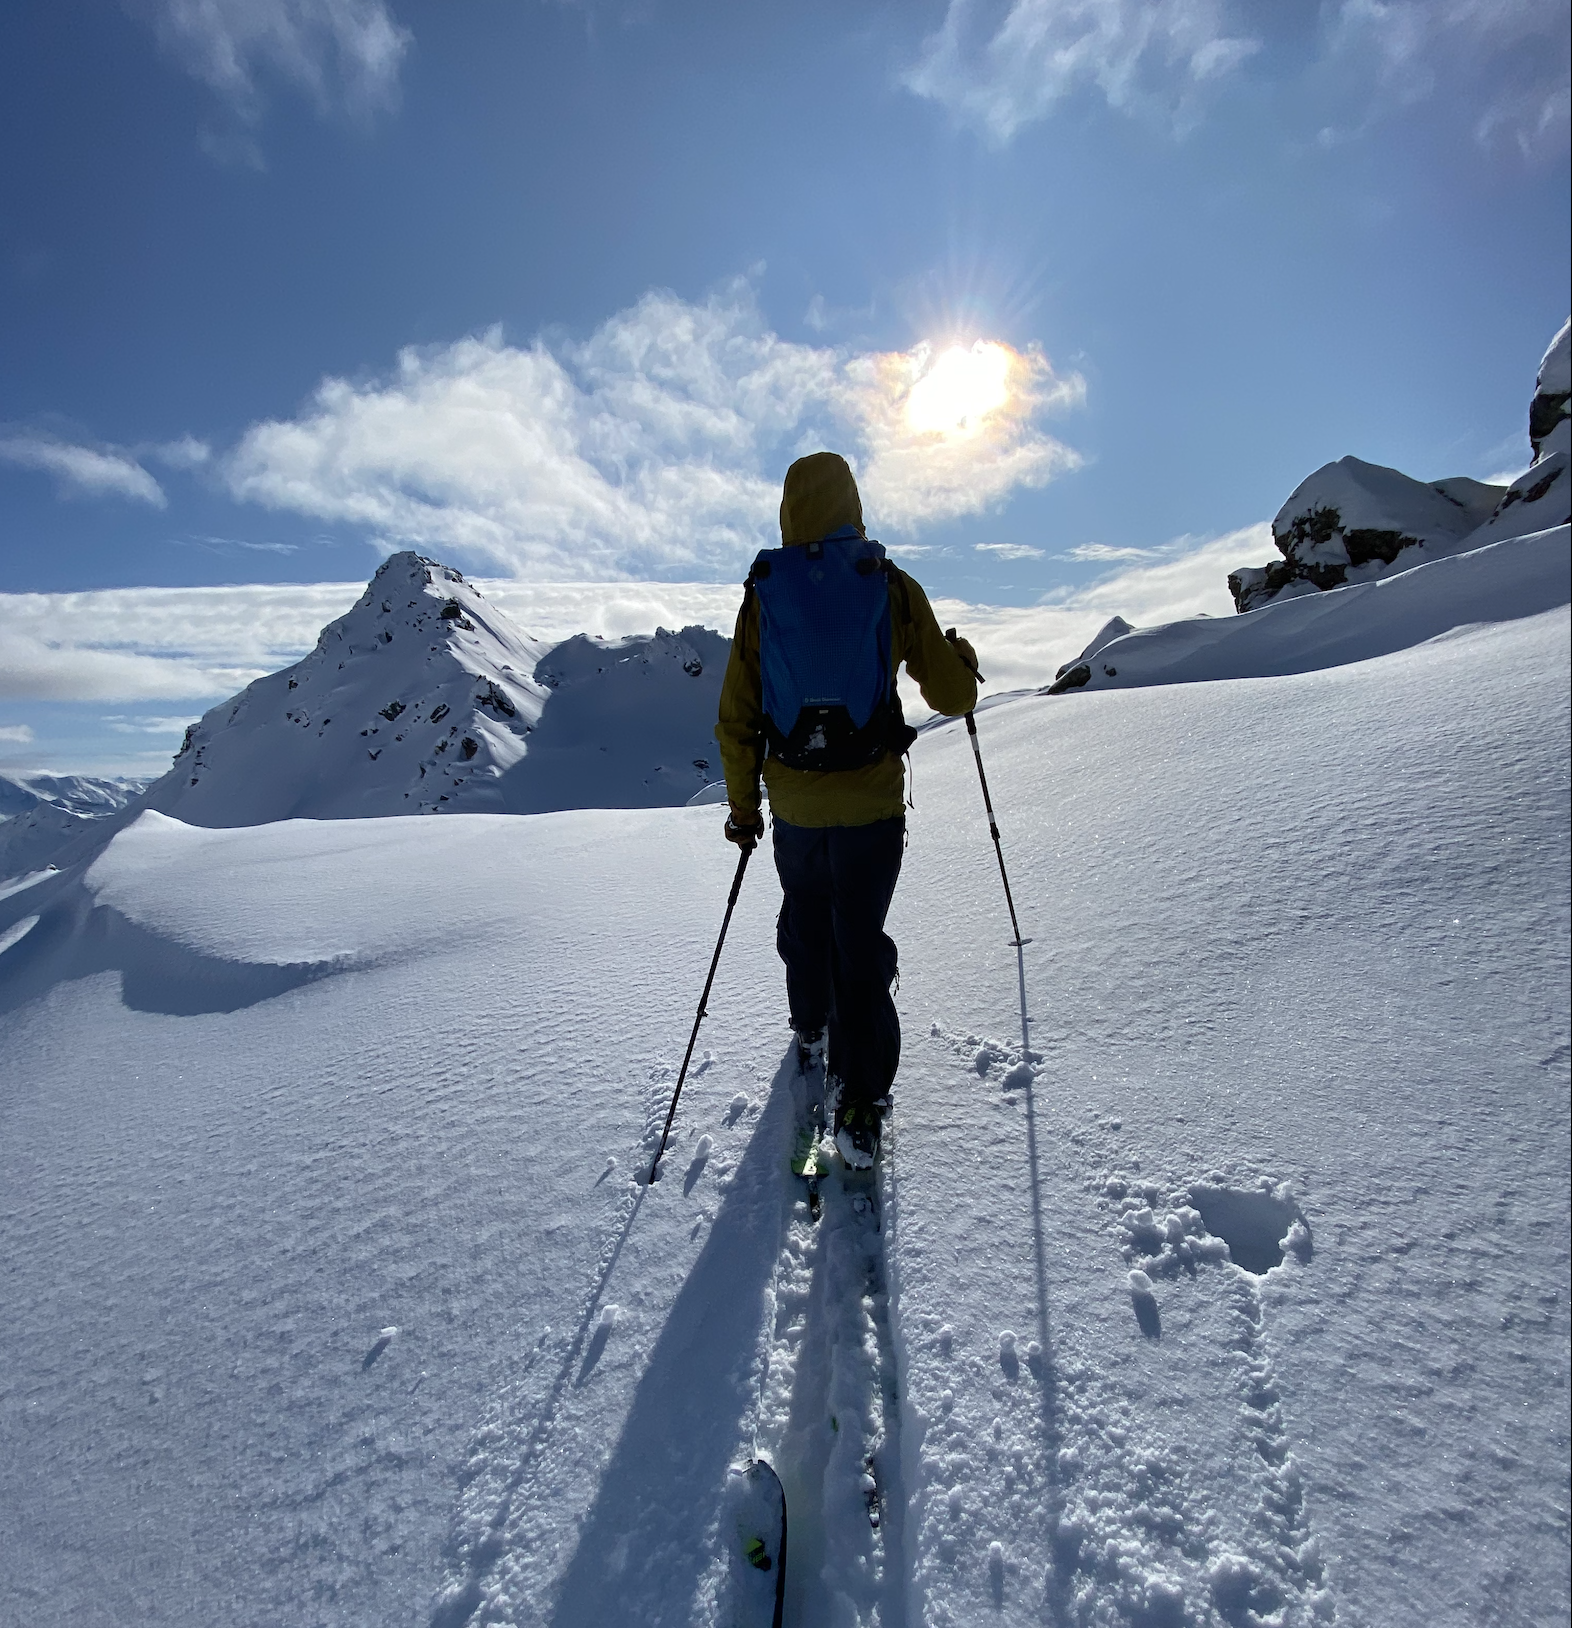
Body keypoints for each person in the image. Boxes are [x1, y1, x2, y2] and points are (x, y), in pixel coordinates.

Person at [714, 451, 980, 1167]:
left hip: (795, 803)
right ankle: (860, 1101)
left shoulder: (765, 593)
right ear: (852, 504)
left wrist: (745, 811)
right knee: (858, 941)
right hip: (871, 805)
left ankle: (809, 1025)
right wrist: (963, 657)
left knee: (806, 914)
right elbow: (952, 697)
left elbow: (736, 716)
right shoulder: (886, 582)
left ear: (789, 509)